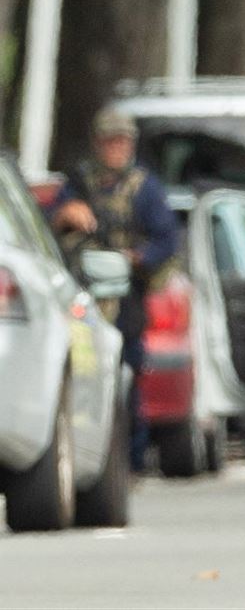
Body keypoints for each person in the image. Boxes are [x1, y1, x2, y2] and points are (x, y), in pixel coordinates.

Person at [49, 106, 179, 474]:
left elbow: (167, 240)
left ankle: (129, 461)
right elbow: (51, 225)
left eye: (122, 141)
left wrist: (135, 258)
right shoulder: (79, 184)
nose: (116, 148)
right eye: (110, 141)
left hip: (124, 299)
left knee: (126, 376)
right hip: (84, 295)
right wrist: (66, 215)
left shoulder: (144, 188)